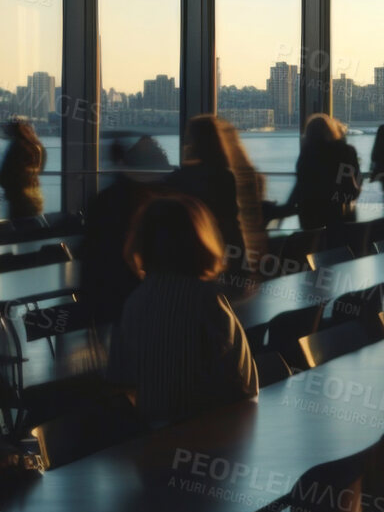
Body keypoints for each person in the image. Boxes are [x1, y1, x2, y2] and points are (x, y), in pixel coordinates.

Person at [107, 194, 259, 425]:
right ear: (200, 241)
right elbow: (243, 381)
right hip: (213, 431)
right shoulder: (208, 300)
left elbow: (121, 377)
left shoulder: (134, 303)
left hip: (155, 436)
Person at [78, 136, 172, 325]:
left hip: (112, 295)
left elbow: (92, 255)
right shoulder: (165, 206)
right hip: (149, 299)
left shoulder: (105, 202)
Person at [166, 115, 268, 288]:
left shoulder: (178, 179)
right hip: (222, 258)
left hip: (189, 260)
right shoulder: (225, 176)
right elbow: (233, 226)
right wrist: (242, 267)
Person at [289, 113, 362, 230]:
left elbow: (302, 183)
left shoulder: (307, 154)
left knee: (314, 244)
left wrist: (288, 206)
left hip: (311, 214)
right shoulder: (347, 151)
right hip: (341, 213)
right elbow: (356, 184)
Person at [0, 117, 45, 220]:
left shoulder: (17, 147)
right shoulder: (37, 146)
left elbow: (4, 174)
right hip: (35, 194)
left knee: (19, 229)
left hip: (19, 197)